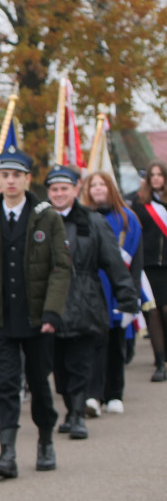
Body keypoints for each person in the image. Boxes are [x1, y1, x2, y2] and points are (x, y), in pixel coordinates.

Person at [0, 147, 71, 478]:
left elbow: (61, 267)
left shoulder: (47, 217)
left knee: (38, 383)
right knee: (4, 384)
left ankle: (45, 440)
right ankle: (7, 451)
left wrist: (52, 312)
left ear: (27, 179)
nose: (11, 181)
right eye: (5, 175)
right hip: (0, 317)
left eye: (17, 175)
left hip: (37, 318)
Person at [45, 165, 138, 440]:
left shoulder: (94, 222)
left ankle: (76, 414)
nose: (59, 194)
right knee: (59, 366)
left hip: (86, 300)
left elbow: (113, 263)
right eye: (54, 189)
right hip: (51, 303)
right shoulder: (41, 220)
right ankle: (69, 406)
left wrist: (127, 299)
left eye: (64, 188)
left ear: (75, 190)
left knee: (81, 362)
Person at [80, 171, 145, 411]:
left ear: (111, 188)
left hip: (118, 288)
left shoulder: (128, 219)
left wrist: (132, 294)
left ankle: (114, 393)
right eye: (93, 185)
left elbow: (135, 262)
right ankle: (92, 394)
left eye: (102, 184)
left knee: (116, 342)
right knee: (94, 343)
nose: (97, 189)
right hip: (92, 289)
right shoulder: (82, 217)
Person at [131, 160, 167, 382]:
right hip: (148, 266)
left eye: (159, 175)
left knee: (165, 312)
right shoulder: (139, 203)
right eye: (152, 175)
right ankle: (160, 361)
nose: (155, 178)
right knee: (152, 312)